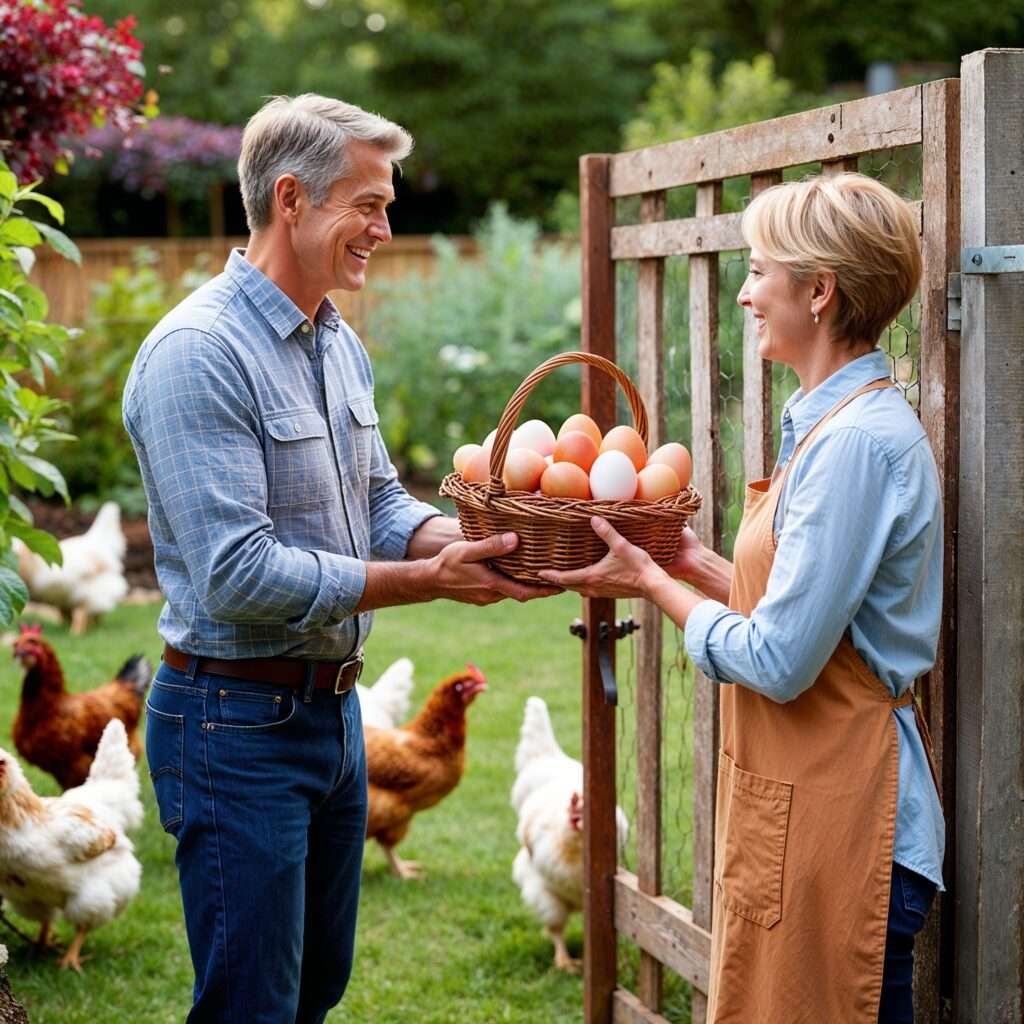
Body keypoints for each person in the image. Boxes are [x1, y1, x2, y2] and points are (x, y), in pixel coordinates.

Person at [123, 94, 554, 1024]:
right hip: (232, 723)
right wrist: (426, 584)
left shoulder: (336, 343)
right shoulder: (198, 354)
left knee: (313, 990)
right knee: (252, 1006)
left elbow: (380, 503)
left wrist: (475, 546)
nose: (385, 229)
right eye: (368, 204)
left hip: (330, 719)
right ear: (291, 199)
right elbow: (239, 574)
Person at [541, 173, 944, 1024]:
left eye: (760, 271)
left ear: (821, 291)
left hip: (850, 823)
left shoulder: (857, 449)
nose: (746, 294)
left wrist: (647, 583)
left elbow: (780, 660)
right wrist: (686, 560)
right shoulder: (830, 430)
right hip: (813, 809)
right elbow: (813, 620)